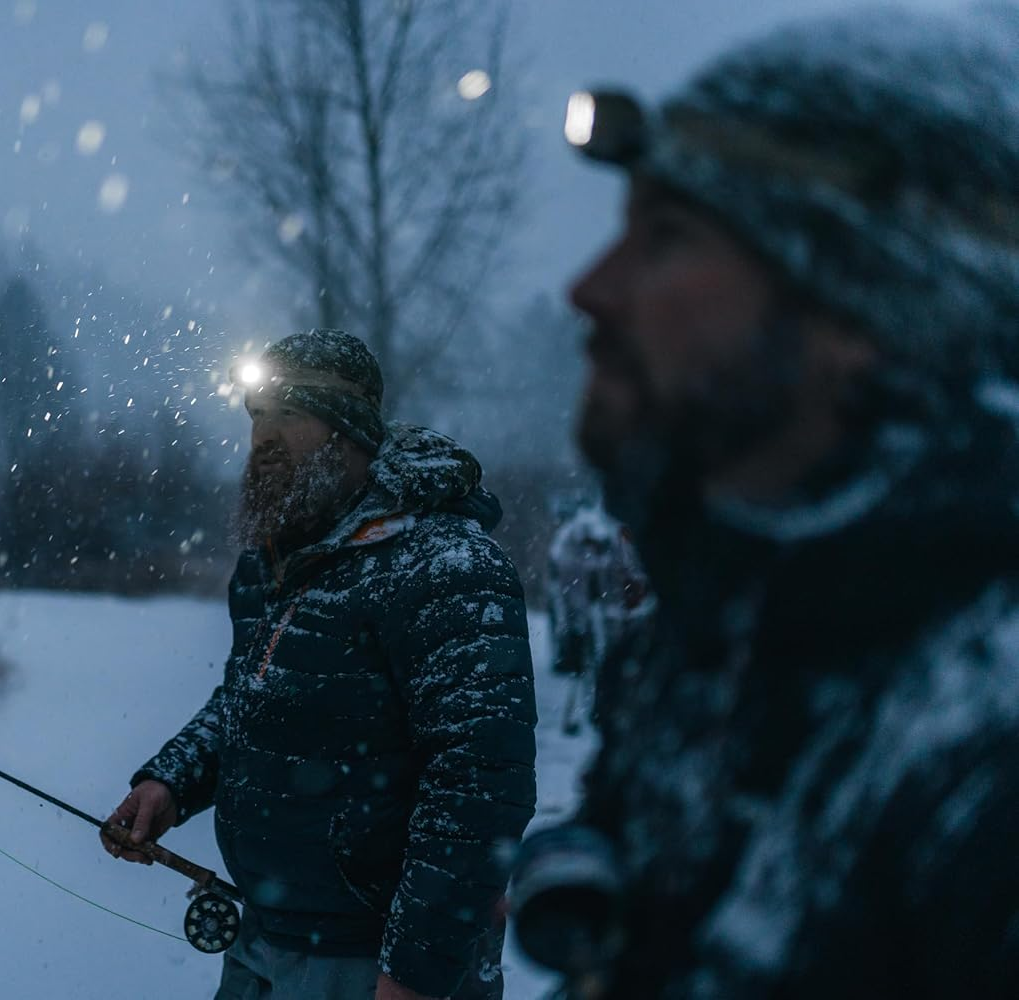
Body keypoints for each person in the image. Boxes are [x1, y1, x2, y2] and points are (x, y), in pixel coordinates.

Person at [507, 7, 1019, 997]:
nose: (588, 289)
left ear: (864, 306)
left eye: (668, 236)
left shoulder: (985, 753)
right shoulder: (735, 618)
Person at [104, 329, 537, 1000]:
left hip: (375, 966)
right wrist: (171, 781)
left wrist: (414, 973)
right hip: (265, 941)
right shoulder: (272, 561)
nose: (265, 436)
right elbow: (249, 700)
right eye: (256, 415)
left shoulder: (444, 564)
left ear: (348, 431)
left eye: (289, 414)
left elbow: (478, 786)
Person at [544, 499, 651, 730]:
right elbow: (568, 584)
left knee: (608, 658)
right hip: (597, 609)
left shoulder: (608, 536)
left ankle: (603, 706)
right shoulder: (578, 536)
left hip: (611, 611)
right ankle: (599, 706)